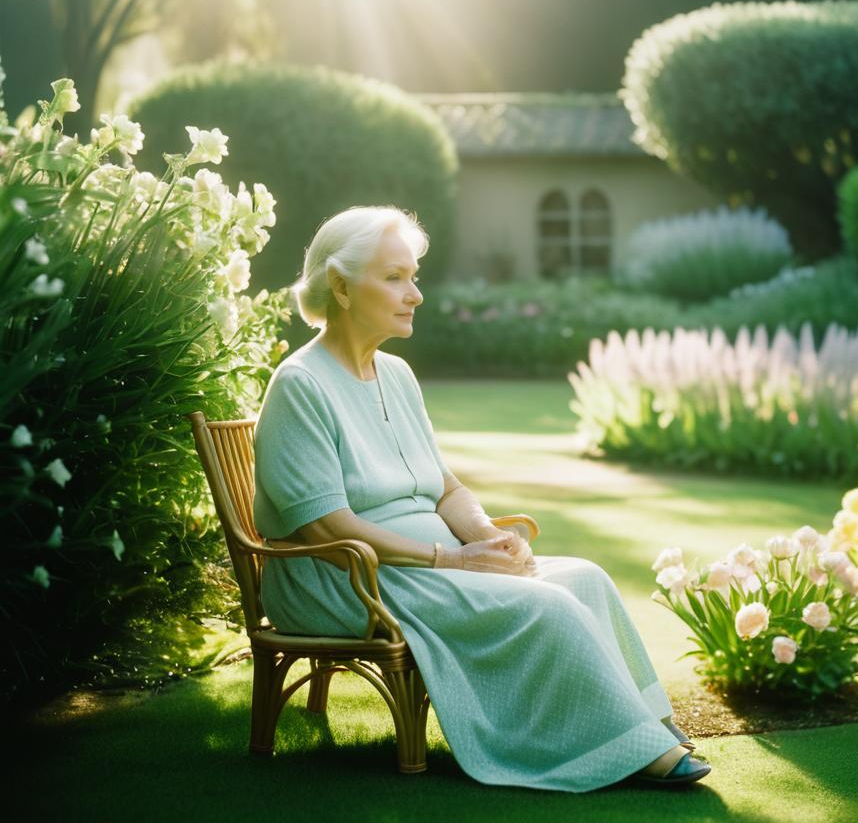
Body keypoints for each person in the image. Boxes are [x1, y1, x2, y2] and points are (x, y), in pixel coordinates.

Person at [252, 204, 712, 792]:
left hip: (421, 565)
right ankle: (614, 749)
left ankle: (644, 729)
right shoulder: (301, 384)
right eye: (394, 277)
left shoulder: (395, 373)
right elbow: (323, 528)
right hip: (342, 577)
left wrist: (483, 536)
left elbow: (444, 486)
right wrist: (453, 560)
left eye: (413, 275)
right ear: (340, 287)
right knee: (549, 606)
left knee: (585, 578)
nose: (414, 293)